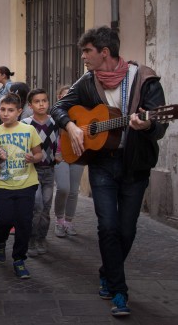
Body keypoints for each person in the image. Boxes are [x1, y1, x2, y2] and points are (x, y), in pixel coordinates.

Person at [50, 26, 167, 316]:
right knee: (107, 226)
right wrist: (72, 125)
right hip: (102, 163)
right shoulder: (88, 81)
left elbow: (161, 121)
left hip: (135, 163)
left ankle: (107, 270)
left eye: (87, 51)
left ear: (104, 52)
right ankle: (119, 292)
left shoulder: (144, 79)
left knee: (126, 229)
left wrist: (149, 124)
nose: (83, 57)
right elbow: (58, 108)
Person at [0, 92, 43, 280]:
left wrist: (33, 158)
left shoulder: (29, 130)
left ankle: (19, 259)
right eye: (2, 109)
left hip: (27, 183)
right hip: (3, 183)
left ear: (19, 111)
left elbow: (39, 154)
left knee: (24, 223)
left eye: (10, 110)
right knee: (4, 219)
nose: (5, 114)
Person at [21, 89, 58, 257]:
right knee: (36, 206)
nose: (41, 104)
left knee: (46, 207)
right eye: (37, 101)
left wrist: (61, 153)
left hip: (49, 170)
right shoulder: (26, 123)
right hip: (32, 171)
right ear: (30, 105)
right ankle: (31, 238)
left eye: (44, 100)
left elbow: (62, 139)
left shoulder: (55, 121)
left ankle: (42, 237)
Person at [52, 85, 85, 238]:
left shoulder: (81, 114)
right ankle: (59, 220)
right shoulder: (55, 117)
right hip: (60, 155)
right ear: (60, 98)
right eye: (65, 96)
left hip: (78, 154)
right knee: (63, 188)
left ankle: (69, 221)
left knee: (73, 191)